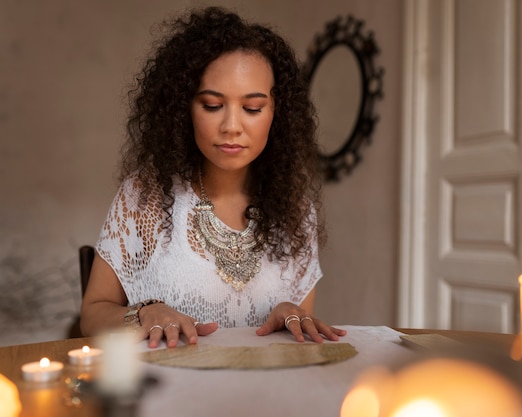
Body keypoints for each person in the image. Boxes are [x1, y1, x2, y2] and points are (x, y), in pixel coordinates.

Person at [80, 6, 347, 348]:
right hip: (167, 393)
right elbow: (92, 316)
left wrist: (287, 312)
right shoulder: (145, 196)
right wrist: (145, 312)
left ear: (277, 114)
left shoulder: (295, 210)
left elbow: (298, 330)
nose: (231, 127)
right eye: (211, 105)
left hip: (263, 396)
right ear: (183, 108)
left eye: (252, 108)